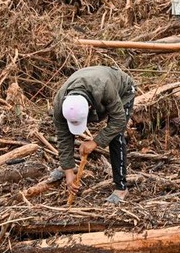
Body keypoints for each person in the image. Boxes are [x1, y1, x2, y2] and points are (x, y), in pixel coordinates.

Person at [51, 66, 136, 204]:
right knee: (66, 136)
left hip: (122, 90)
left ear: (90, 108)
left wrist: (95, 142)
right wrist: (68, 172)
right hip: (93, 85)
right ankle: (65, 166)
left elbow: (119, 121)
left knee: (115, 135)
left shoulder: (104, 87)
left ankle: (121, 188)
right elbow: (63, 136)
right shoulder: (60, 104)